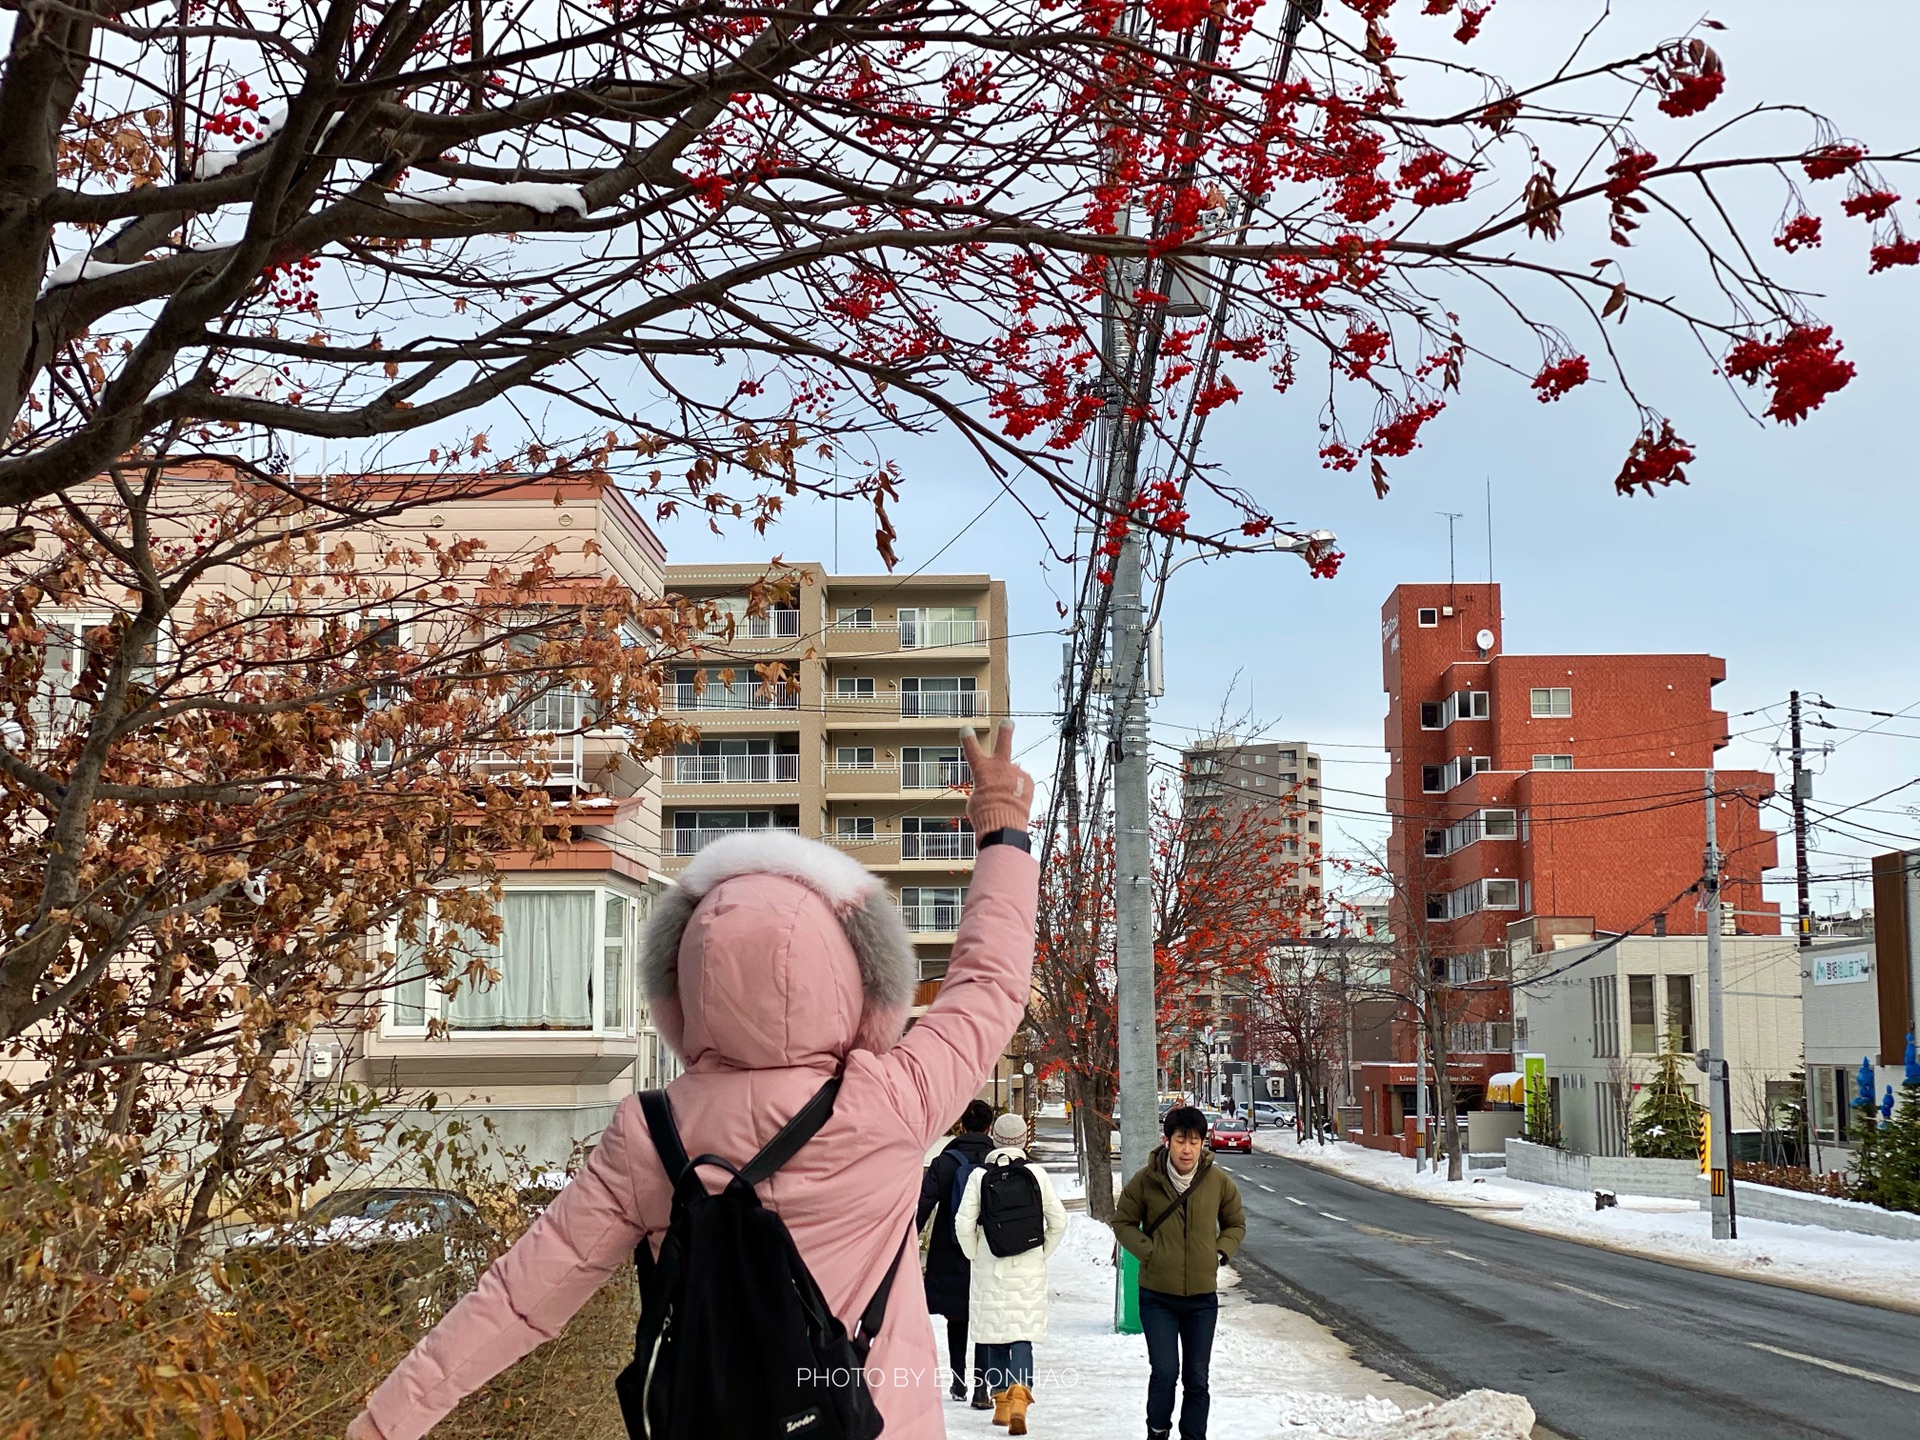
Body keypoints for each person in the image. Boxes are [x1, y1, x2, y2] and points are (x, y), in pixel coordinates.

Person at [343, 723, 1037, 1440]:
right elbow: (988, 982)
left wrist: (384, 1423)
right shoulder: (893, 1098)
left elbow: (521, 1296)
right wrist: (1001, 833)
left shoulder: (649, 1134)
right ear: (861, 977)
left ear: (683, 984)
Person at [1110, 1106, 1246, 1440]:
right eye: (1181, 1140)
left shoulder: (1217, 1181)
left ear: (1203, 1144)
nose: (1187, 1149)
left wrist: (1220, 1251)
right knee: (1166, 1371)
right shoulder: (1147, 1180)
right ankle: (1157, 1431)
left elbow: (1235, 1223)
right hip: (1157, 1297)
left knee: (1197, 1377)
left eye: (1194, 1141)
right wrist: (1148, 1252)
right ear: (1167, 1140)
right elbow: (1123, 1222)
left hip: (1201, 1299)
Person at [953, 1111, 1067, 1437]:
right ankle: (1021, 1396)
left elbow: (963, 1223)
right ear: (1023, 1140)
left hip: (990, 1265)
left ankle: (1000, 1401)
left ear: (996, 1140)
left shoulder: (979, 1177)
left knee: (996, 1336)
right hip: (1028, 1266)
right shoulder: (1036, 1174)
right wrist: (1042, 1252)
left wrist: (975, 1251)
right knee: (1021, 1336)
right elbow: (1059, 1221)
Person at [918, 1098, 997, 1406]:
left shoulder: (944, 1162)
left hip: (950, 1250)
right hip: (989, 1250)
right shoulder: (998, 1159)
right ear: (989, 1127)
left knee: (957, 1317)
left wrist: (908, 1241)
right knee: (984, 1317)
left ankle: (958, 1381)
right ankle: (981, 1387)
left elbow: (924, 1205)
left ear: (961, 1126)